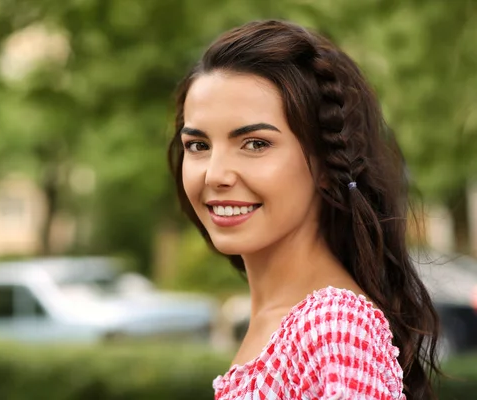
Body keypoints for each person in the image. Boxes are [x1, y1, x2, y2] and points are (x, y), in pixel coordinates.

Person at [168, 20, 440, 399]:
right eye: (198, 146)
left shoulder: (333, 329)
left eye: (255, 143)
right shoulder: (284, 321)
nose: (215, 175)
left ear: (326, 165)